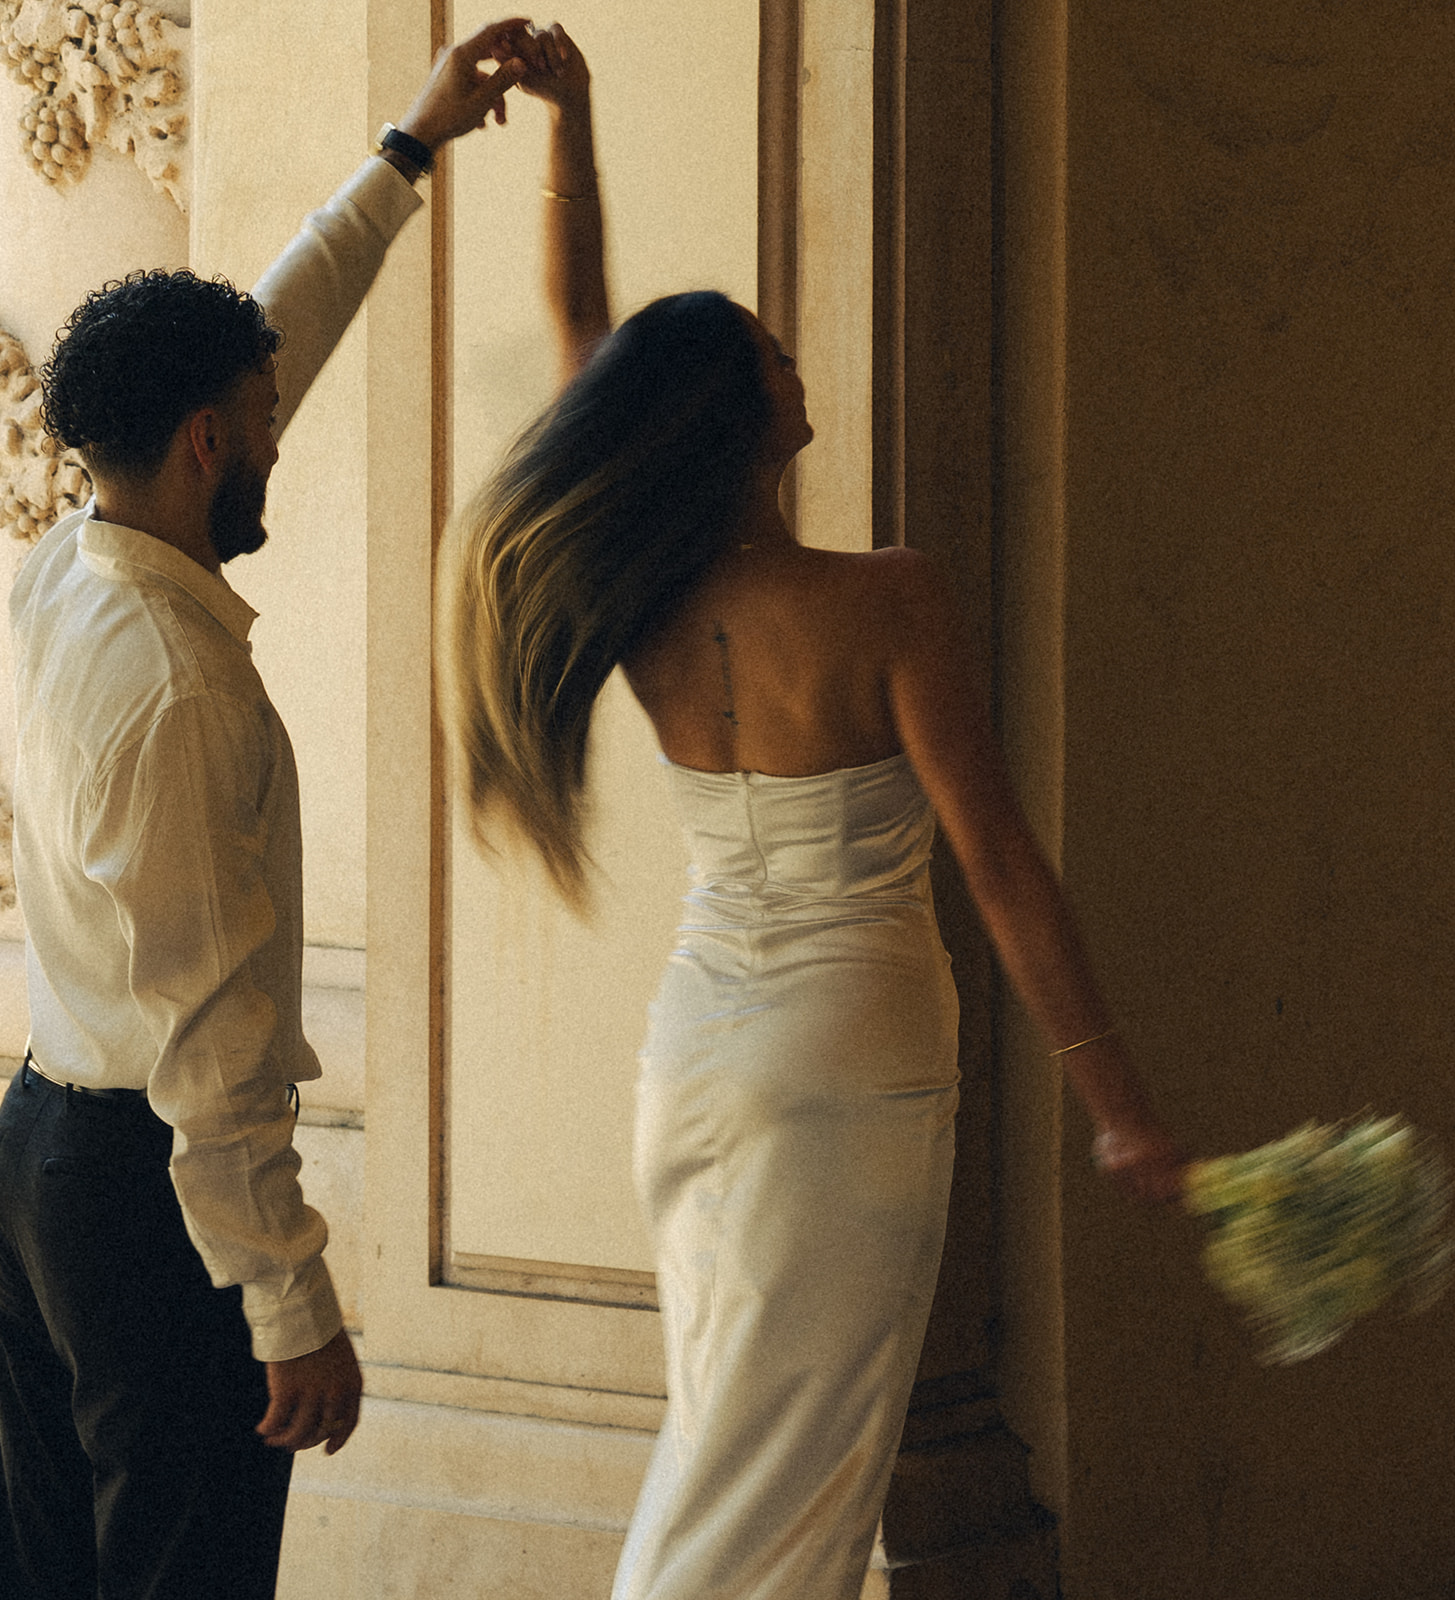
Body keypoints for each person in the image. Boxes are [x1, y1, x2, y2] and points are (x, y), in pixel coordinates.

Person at [445, 25, 1187, 1600]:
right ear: (739, 417)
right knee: (797, 1485)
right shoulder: (889, 602)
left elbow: (584, 340)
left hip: (698, 1054)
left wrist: (575, 124)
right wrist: (1115, 1097)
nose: (799, 369)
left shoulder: (635, 587)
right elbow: (996, 862)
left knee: (729, 1444)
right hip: (854, 1064)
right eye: (777, 357)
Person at [0, 21, 537, 1600]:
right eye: (260, 415)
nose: (279, 431)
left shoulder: (64, 566)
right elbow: (213, 1044)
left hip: (42, 1157)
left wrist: (408, 151)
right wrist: (290, 1304)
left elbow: (274, 327)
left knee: (49, 1571)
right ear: (206, 443)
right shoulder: (180, 689)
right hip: (146, 1194)